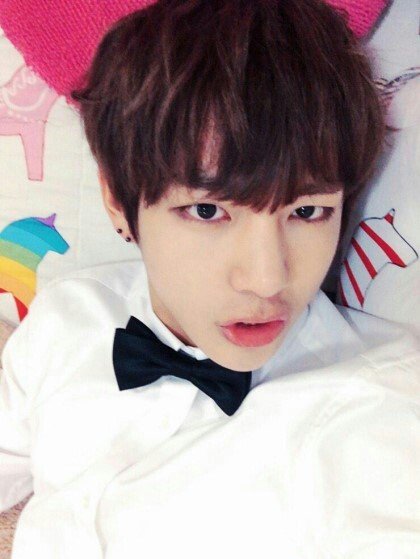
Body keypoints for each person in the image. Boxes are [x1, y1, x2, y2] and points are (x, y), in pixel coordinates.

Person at [0, 1, 419, 557]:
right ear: (117, 200)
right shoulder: (67, 317)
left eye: (307, 211)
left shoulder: (382, 409)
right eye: (207, 211)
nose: (266, 279)